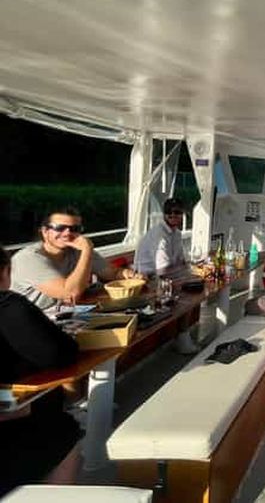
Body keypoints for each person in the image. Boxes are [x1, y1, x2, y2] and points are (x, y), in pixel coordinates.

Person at [0, 246, 83, 496]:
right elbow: (60, 354)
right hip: (11, 433)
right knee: (62, 426)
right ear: (5, 272)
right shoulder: (8, 306)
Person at [10, 206, 141, 310]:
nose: (67, 233)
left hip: (61, 314)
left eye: (74, 228)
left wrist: (128, 274)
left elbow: (112, 273)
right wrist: (87, 250)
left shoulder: (75, 250)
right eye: (60, 228)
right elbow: (70, 293)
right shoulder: (28, 259)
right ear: (45, 231)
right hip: (28, 322)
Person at [133, 198, 186, 276]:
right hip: (147, 277)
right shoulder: (159, 234)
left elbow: (181, 260)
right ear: (164, 214)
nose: (173, 214)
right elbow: (163, 269)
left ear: (182, 214)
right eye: (168, 211)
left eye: (177, 212)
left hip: (166, 273)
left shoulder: (177, 233)